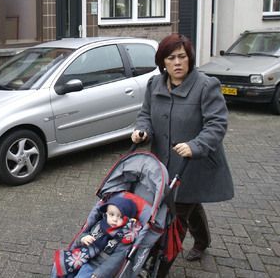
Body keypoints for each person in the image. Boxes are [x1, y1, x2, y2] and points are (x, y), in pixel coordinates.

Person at [131, 33, 233, 273]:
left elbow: (217, 124)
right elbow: (145, 114)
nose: (177, 63)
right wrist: (142, 131)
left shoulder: (206, 86)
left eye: (182, 57)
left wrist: (195, 146)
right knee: (188, 202)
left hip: (193, 165)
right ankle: (203, 241)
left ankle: (160, 264)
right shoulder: (154, 85)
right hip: (164, 164)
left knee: (175, 216)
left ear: (190, 59)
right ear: (162, 62)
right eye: (171, 58)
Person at [52, 193, 140, 278]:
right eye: (111, 214)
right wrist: (83, 238)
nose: (114, 219)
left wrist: (100, 273)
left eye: (120, 217)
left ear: (127, 220)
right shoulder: (100, 224)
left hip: (96, 265)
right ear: (106, 213)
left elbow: (115, 260)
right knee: (58, 266)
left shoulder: (125, 237)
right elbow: (84, 234)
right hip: (81, 255)